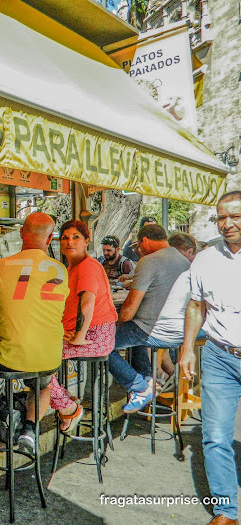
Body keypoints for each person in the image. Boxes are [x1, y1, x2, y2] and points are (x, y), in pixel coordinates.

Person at [181, 191, 241, 525]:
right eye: (221, 217)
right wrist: (188, 347)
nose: (227, 224)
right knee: (215, 436)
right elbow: (196, 306)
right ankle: (226, 512)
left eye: (235, 216)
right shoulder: (205, 259)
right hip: (219, 355)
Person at [0, 212, 70, 452]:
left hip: (7, 359)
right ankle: (30, 429)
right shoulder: (61, 270)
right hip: (49, 356)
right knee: (42, 385)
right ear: (50, 239)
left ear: (21, 233)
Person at [108, 224, 190, 413]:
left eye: (139, 246)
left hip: (152, 329)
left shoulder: (150, 261)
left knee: (103, 345)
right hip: (178, 332)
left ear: (145, 240)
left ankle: (140, 387)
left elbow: (130, 305)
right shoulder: (183, 260)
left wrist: (120, 324)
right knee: (133, 337)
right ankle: (147, 380)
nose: (138, 251)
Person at [49, 220, 117, 434]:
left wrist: (78, 336)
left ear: (87, 241)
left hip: (95, 336)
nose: (70, 242)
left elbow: (87, 303)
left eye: (76, 237)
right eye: (65, 238)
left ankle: (69, 407)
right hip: (89, 333)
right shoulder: (74, 267)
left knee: (36, 360)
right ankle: (65, 398)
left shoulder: (87, 266)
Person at [147, 232, 199, 383]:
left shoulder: (188, 269)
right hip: (189, 325)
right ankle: (170, 374)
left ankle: (155, 378)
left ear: (189, 252)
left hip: (187, 326)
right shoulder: (189, 267)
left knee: (144, 334)